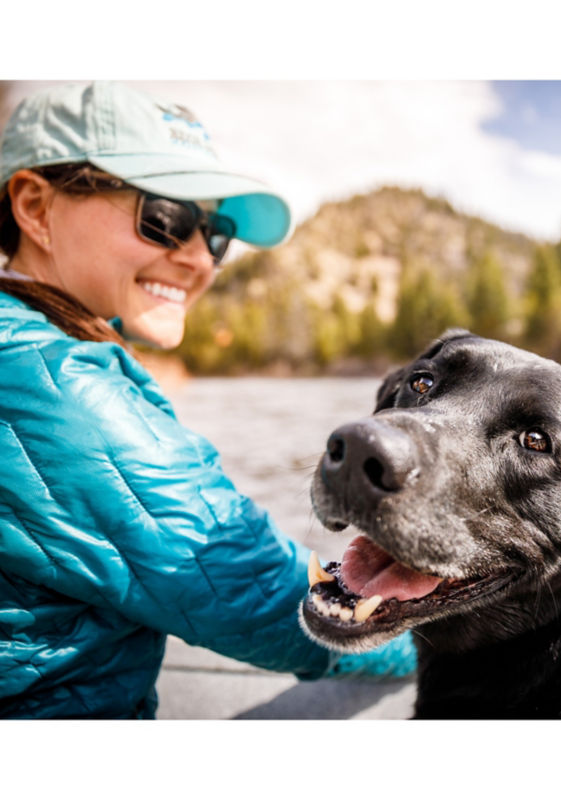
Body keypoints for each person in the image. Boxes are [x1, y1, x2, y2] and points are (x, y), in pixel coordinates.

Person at [0, 81, 416, 719]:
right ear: (33, 206)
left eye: (216, 234)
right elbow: (262, 597)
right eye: (164, 218)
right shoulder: (57, 390)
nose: (198, 258)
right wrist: (438, 638)